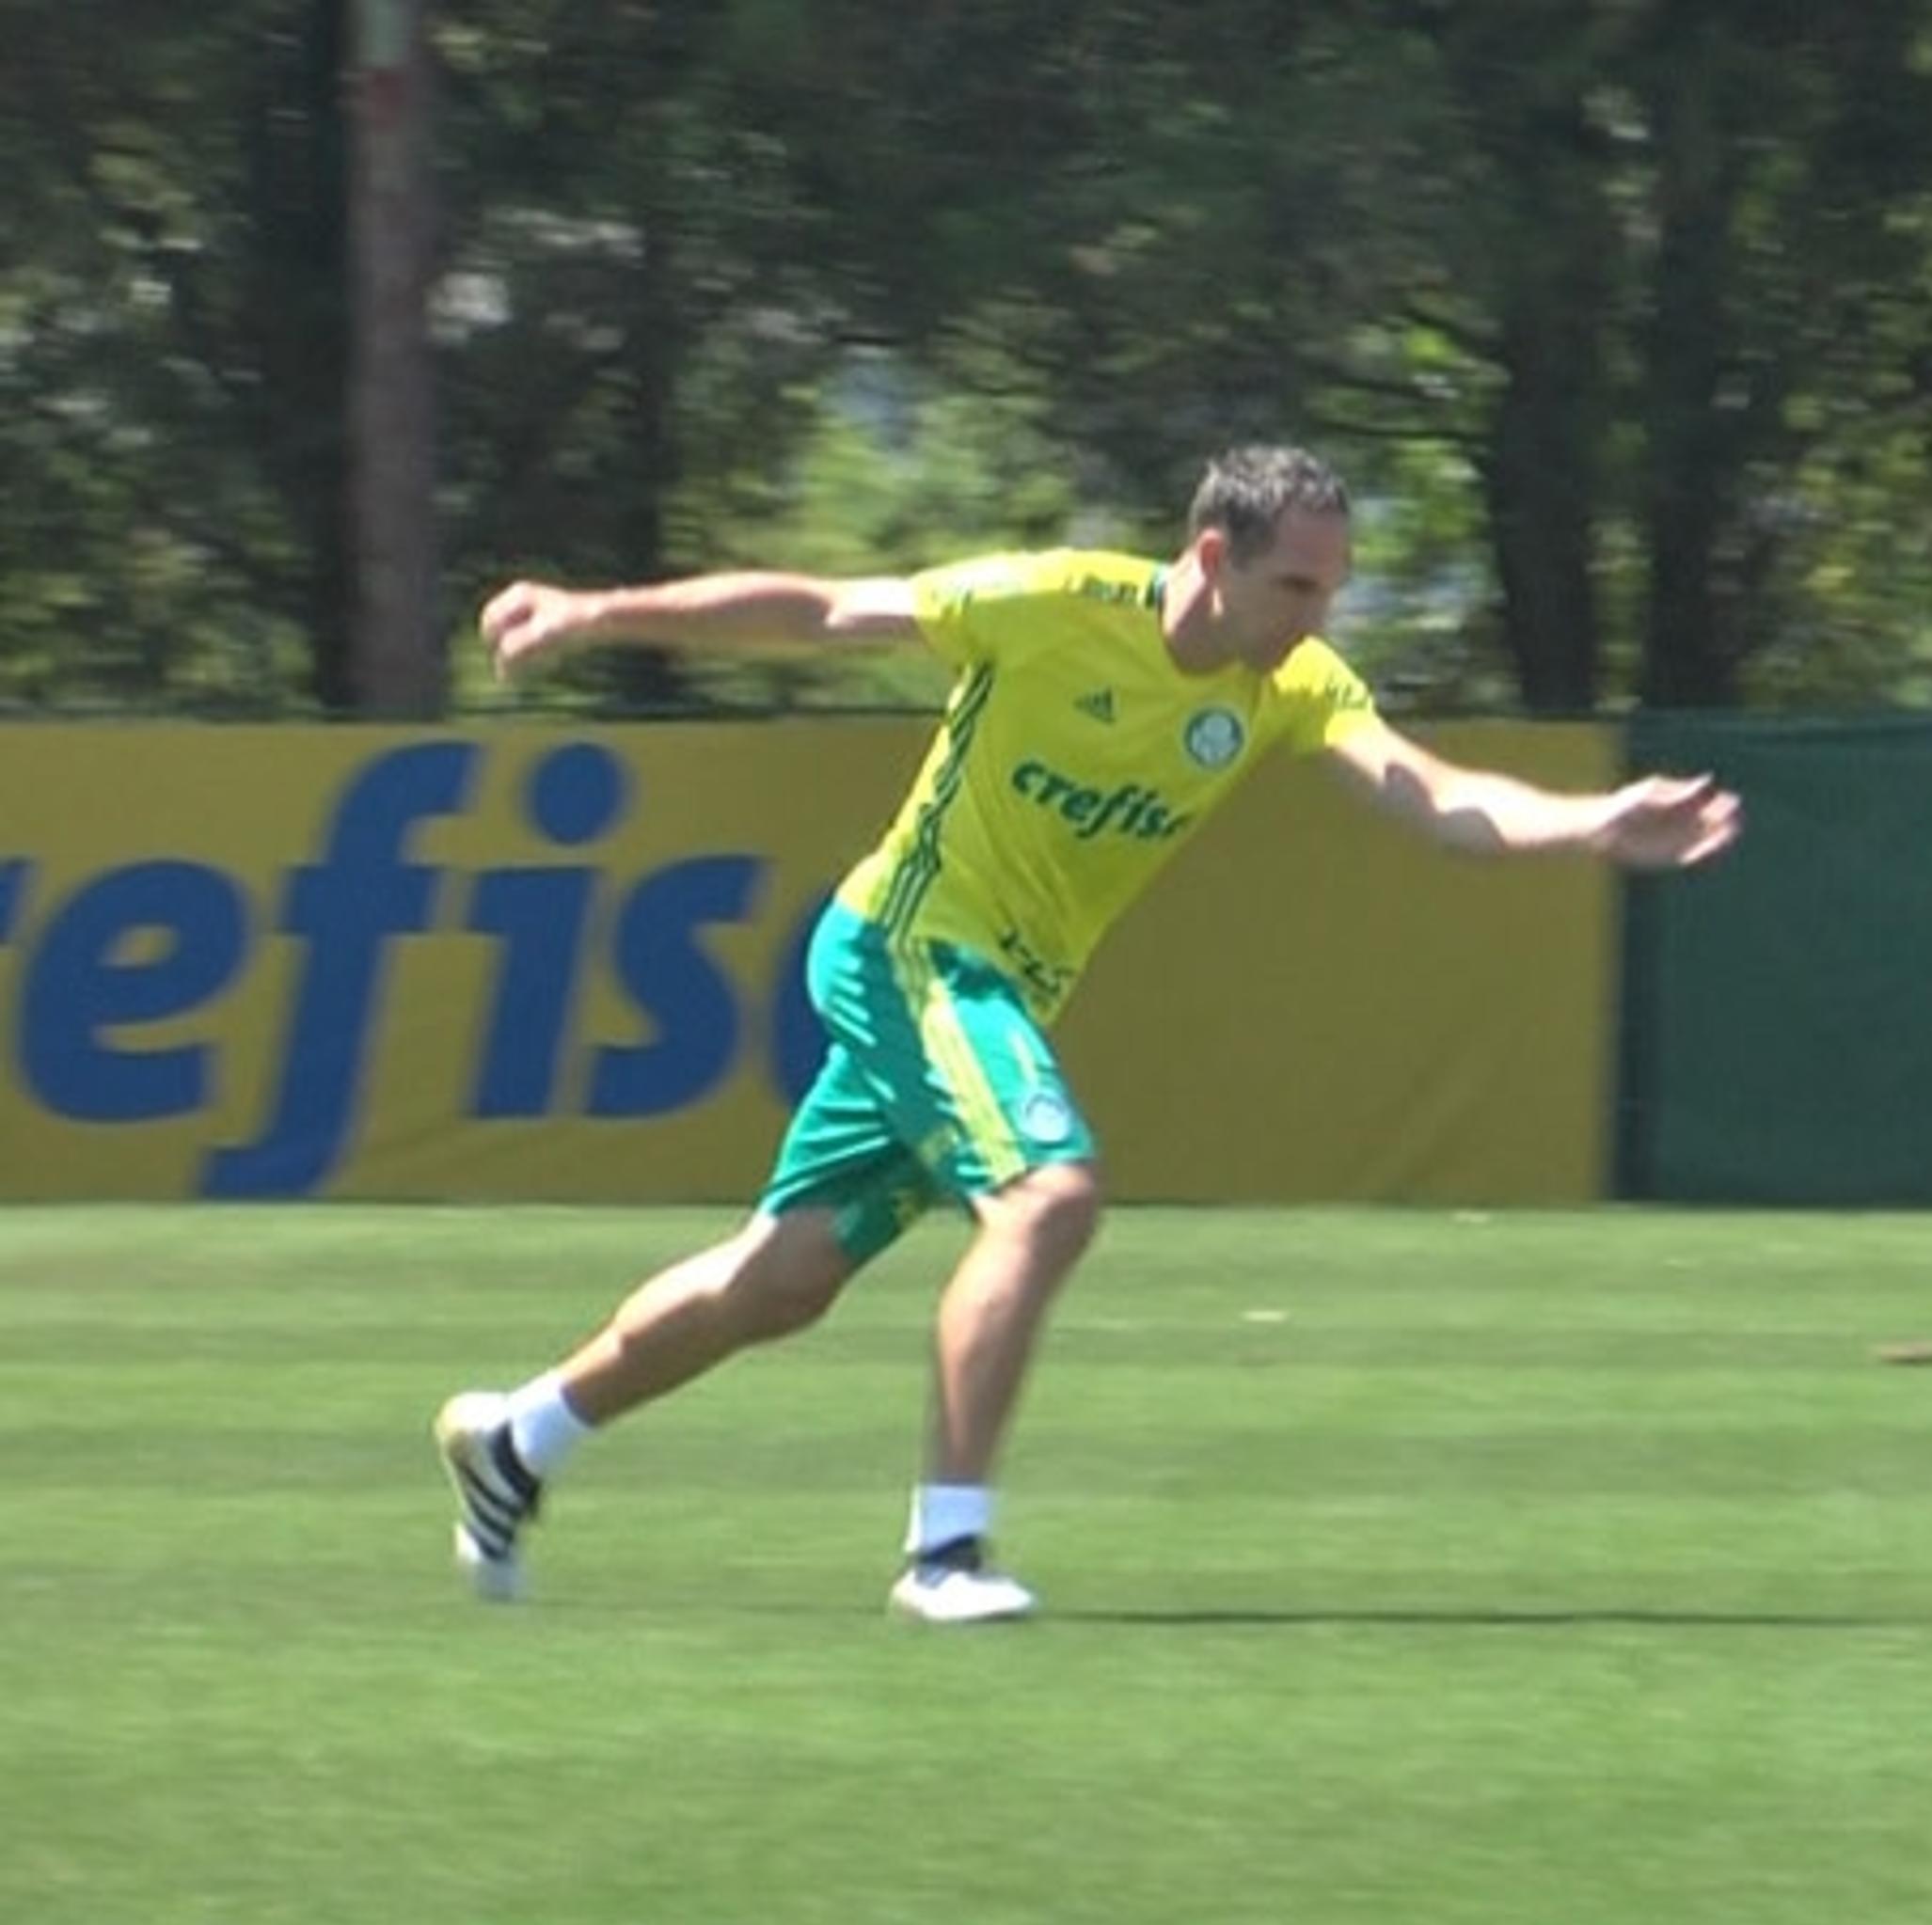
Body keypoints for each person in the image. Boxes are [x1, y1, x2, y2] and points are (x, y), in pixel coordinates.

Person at [435, 445, 1741, 1623]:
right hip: (912, 945)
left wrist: (1590, 824)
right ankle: (944, 1554)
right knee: (1049, 1195)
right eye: (1299, 587)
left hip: (994, 987)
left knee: (783, 1279)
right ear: (1213, 559)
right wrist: (598, 613)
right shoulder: (1056, 603)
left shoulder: (1290, 685)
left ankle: (520, 1440)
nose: (1319, 619)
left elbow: (1440, 801)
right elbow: (830, 611)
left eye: (1334, 592)